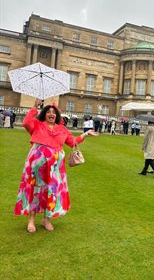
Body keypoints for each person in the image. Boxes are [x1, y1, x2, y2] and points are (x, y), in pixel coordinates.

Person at [14, 99, 98, 233]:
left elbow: (73, 142)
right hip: (36, 164)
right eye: (48, 112)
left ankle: (46, 219)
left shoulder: (62, 129)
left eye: (54, 112)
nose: (51, 114)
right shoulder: (37, 124)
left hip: (55, 168)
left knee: (51, 190)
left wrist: (85, 134)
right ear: (44, 114)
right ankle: (31, 220)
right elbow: (25, 123)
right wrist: (35, 107)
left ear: (57, 115)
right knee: (36, 189)